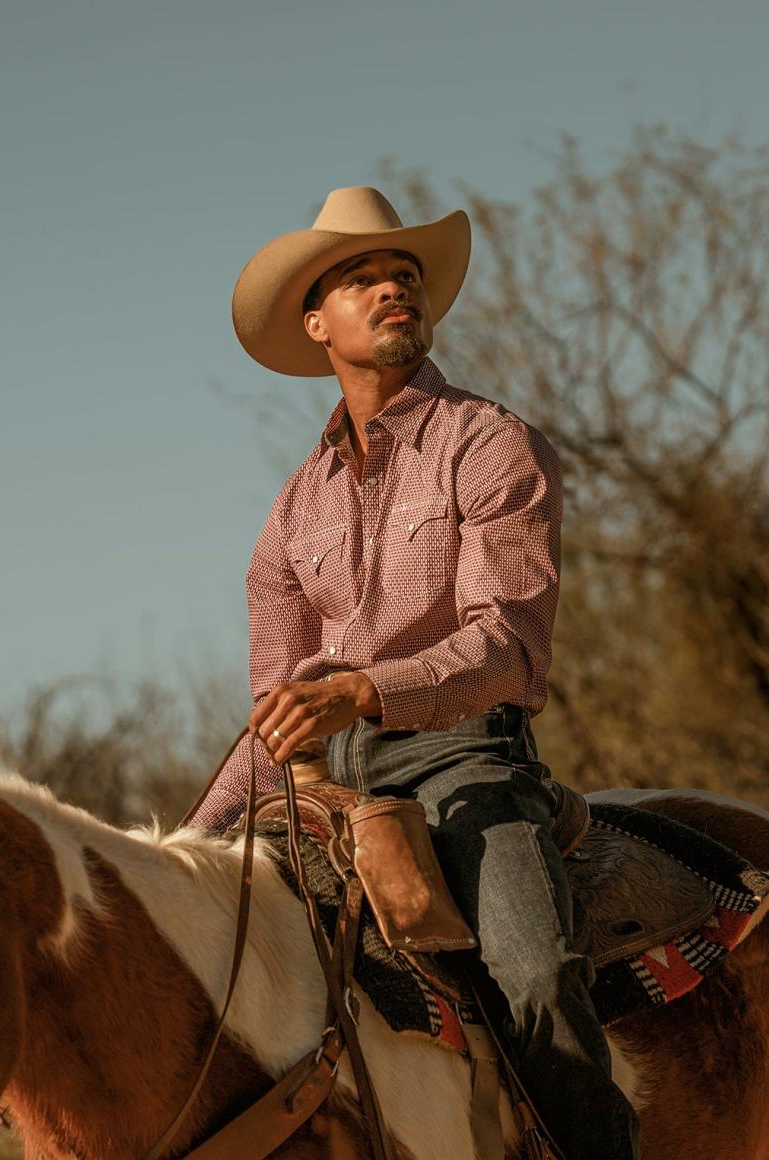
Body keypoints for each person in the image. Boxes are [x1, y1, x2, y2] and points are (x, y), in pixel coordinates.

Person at [193, 186, 639, 1160]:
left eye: (402, 273)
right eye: (362, 277)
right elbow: (275, 714)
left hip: (463, 762)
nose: (392, 286)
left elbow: (508, 642)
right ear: (316, 322)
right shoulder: (289, 514)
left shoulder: (487, 443)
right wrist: (189, 842)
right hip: (323, 784)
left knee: (531, 971)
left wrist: (364, 687)